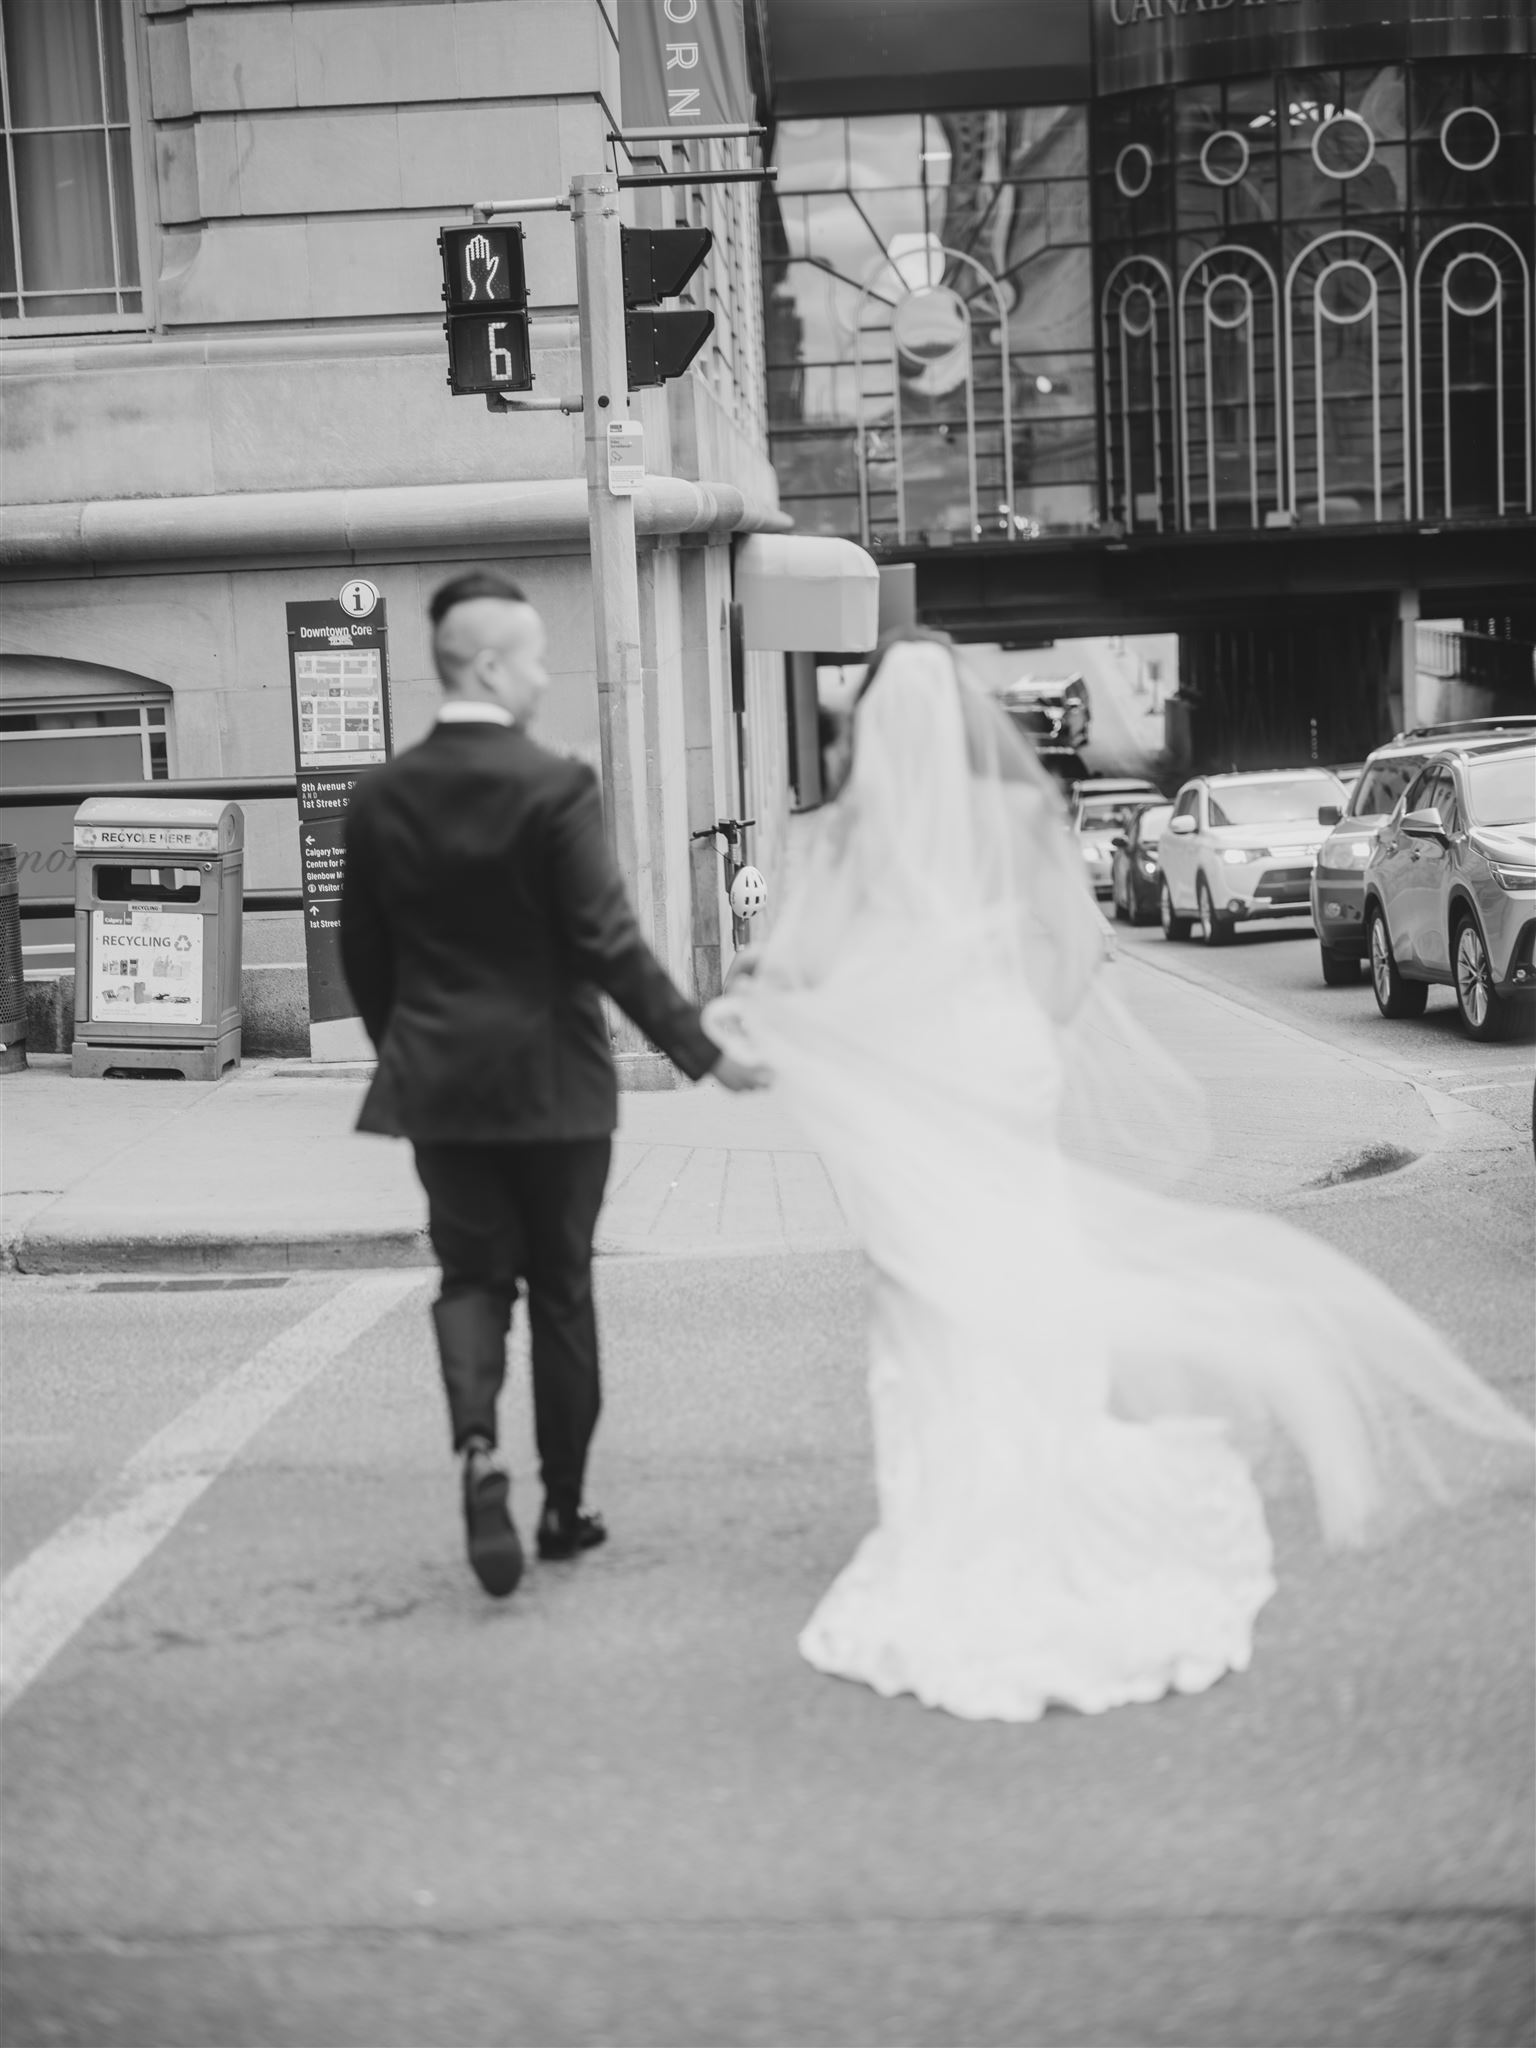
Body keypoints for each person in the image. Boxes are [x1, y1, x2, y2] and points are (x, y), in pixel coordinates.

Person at [705, 630, 1532, 1723]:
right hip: (1003, 1064)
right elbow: (1067, 964)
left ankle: (949, 1520)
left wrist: (792, 1016)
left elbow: (815, 971)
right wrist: (1015, 1039)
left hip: (928, 1079)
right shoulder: (1017, 816)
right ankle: (1045, 1479)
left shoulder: (861, 831)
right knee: (1025, 1269)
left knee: (928, 1294)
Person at [340, 569, 764, 1599]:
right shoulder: (555, 783)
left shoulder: (381, 794)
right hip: (557, 1088)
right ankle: (564, 1509)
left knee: (473, 1279)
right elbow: (607, 940)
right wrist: (703, 1050)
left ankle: (478, 1444)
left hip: (444, 1086)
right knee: (564, 1294)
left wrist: (417, 1050)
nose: (542, 673)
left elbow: (362, 957)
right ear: (488, 662)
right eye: (532, 655)